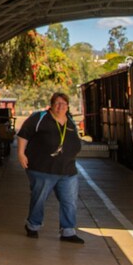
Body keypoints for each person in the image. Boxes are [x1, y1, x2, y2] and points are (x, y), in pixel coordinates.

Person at [16, 92, 84, 244]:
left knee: (69, 200)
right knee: (39, 199)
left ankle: (68, 231)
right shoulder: (39, 118)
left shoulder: (70, 121)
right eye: (57, 103)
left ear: (68, 106)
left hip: (67, 169)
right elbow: (23, 134)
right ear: (51, 105)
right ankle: (33, 226)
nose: (60, 106)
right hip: (42, 168)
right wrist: (21, 154)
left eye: (64, 104)